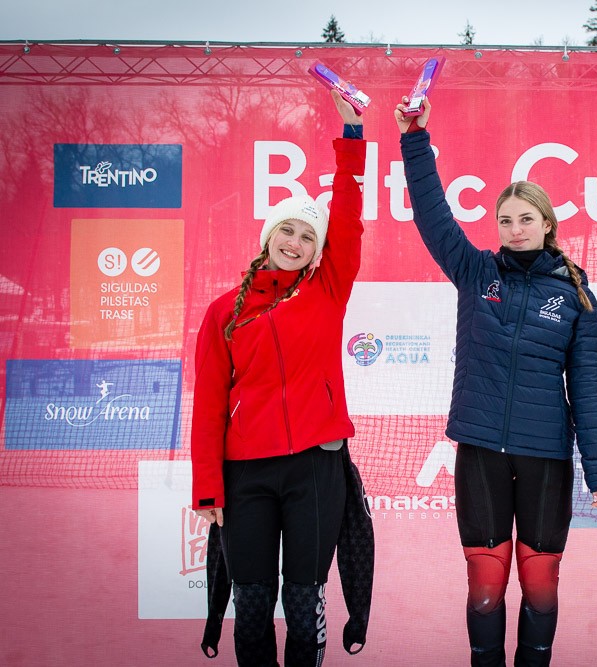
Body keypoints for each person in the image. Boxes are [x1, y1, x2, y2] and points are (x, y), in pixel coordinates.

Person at [394, 97, 597, 667]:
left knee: (540, 580)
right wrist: (415, 139)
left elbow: (589, 388)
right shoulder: (477, 273)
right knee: (486, 580)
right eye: (506, 221)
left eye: (526, 220)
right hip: (480, 452)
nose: (516, 230)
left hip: (545, 457)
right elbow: (432, 216)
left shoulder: (576, 294)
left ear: (547, 224)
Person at [191, 90, 371, 666]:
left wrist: (351, 138)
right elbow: (208, 405)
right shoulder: (224, 311)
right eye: (286, 231)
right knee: (251, 602)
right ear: (268, 235)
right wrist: (207, 487)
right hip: (245, 473)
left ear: (318, 249)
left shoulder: (327, 290)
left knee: (302, 599)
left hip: (316, 468)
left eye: (307, 236)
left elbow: (347, 217)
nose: (295, 243)